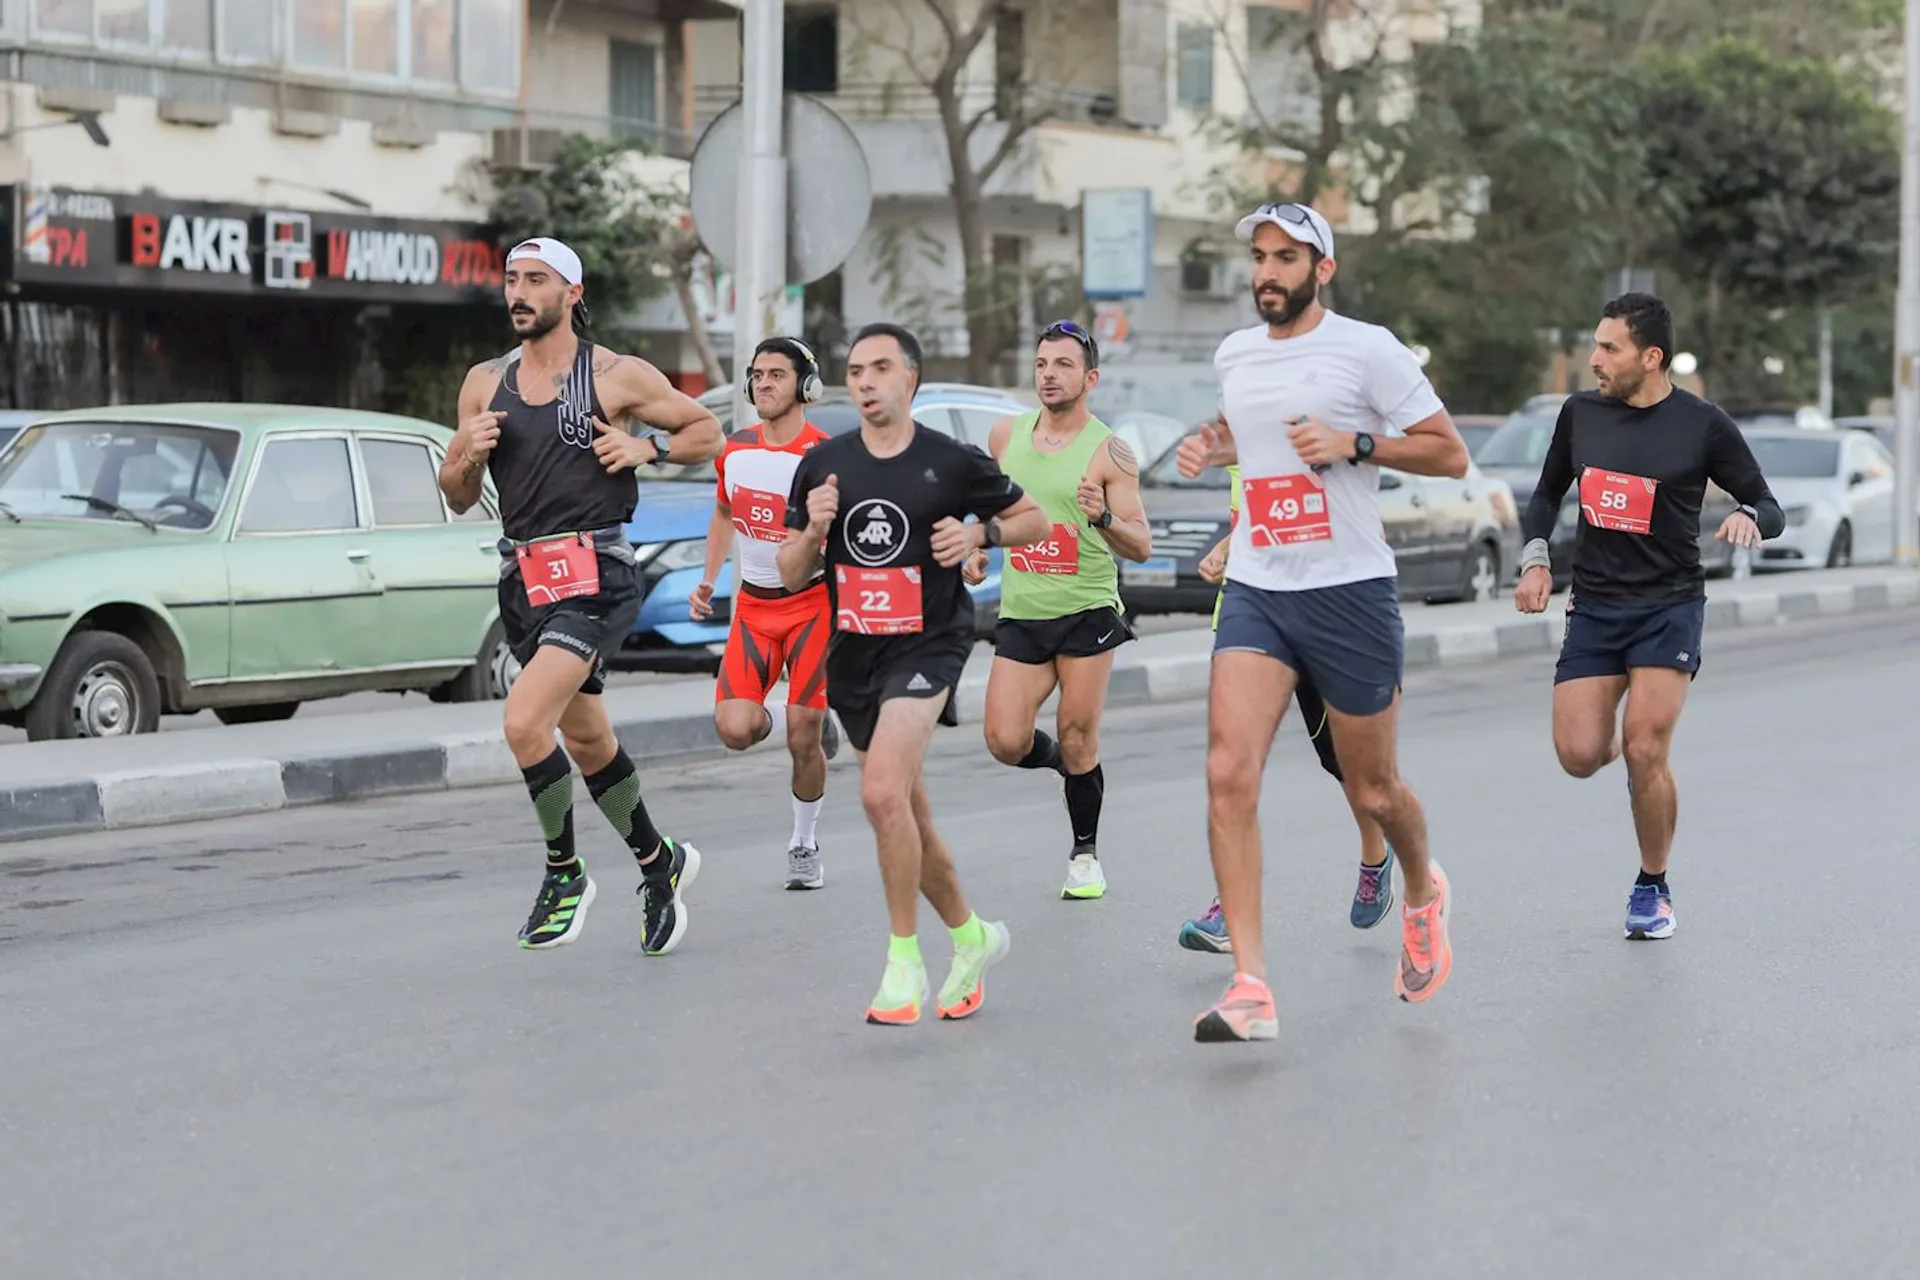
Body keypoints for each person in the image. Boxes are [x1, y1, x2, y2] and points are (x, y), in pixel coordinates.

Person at [1178, 202, 1469, 1044]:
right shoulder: (1234, 353)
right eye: (1260, 258)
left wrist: (1357, 444)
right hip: (1262, 586)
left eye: (1286, 258)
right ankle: (1251, 986)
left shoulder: (1368, 348)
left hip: (1349, 590)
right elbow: (1257, 442)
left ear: (1323, 270)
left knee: (1374, 789)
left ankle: (1422, 887)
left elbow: (1448, 451)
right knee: (1229, 772)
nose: (1268, 272)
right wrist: (1214, 448)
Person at [439, 236, 724, 955]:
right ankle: (661, 865)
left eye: (536, 279)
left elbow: (708, 430)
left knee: (523, 722)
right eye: (511, 279)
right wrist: (468, 455)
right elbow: (455, 492)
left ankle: (565, 873)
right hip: (525, 579)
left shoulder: (614, 375)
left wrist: (645, 449)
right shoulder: (484, 382)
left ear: (572, 293)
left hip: (597, 574)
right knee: (588, 739)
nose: (518, 292)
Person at [776, 322, 1052, 1026]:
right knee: (908, 814)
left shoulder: (952, 462)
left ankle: (904, 962)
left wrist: (980, 533)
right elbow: (788, 571)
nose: (864, 381)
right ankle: (973, 937)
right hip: (855, 653)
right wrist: (813, 529)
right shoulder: (824, 466)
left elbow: (1035, 520)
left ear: (910, 379)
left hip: (929, 644)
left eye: (878, 368)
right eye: (855, 370)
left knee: (876, 794)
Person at [1514, 293, 1780, 940]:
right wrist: (1535, 560)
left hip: (1668, 606)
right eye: (1595, 345)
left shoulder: (1703, 424)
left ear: (1650, 357)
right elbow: (1547, 492)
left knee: (1644, 747)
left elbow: (1767, 502)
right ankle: (1615, 739)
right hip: (1597, 608)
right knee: (1580, 755)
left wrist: (1748, 517)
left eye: (1609, 348)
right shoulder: (1580, 414)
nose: (1594, 360)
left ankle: (1652, 885)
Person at [961, 319, 1152, 900]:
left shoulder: (1110, 451)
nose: (1049, 374)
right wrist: (976, 545)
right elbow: (995, 504)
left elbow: (1141, 544)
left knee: (1077, 732)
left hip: (1087, 609)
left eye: (1064, 364)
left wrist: (1102, 518)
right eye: (1043, 364)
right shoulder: (1005, 435)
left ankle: (1084, 854)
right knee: (1004, 739)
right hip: (1023, 609)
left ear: (1089, 377)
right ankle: (1065, 768)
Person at [1177, 458, 1397, 953]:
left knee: (1345, 763)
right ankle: (1229, 911)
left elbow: (1335, 513)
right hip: (1253, 618)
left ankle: (1374, 855)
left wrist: (1229, 544)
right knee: (1235, 764)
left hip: (1325, 613)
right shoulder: (1245, 441)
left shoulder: (1315, 430)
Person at [690, 336, 843, 890]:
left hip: (812, 608)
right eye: (757, 375)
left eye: (777, 374)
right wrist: (708, 581)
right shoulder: (734, 449)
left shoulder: (826, 456)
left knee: (804, 741)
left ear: (806, 386)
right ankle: (803, 716)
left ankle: (804, 842)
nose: (764, 384)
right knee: (736, 729)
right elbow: (723, 513)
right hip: (753, 608)